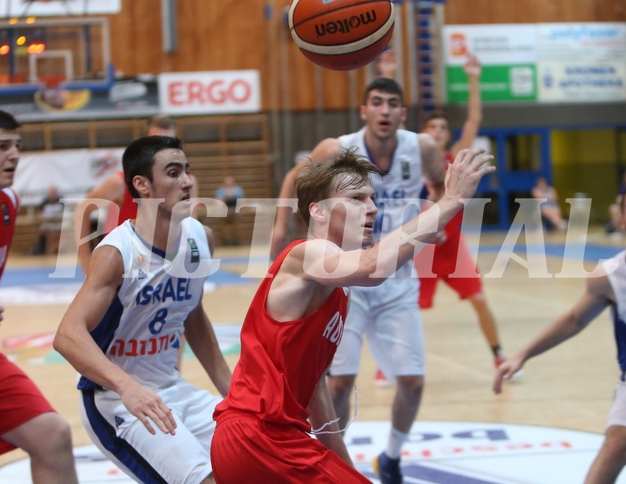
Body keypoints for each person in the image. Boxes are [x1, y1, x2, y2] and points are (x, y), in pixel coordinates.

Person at [212, 147, 494, 482]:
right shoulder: (307, 255)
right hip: (259, 437)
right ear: (318, 211)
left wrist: (344, 467)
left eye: (372, 198)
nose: (372, 208)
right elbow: (373, 268)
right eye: (357, 198)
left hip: (262, 439)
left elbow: (316, 390)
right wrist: (451, 200)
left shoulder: (336, 287)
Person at [270, 77, 449, 483]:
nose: (384, 110)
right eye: (376, 103)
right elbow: (296, 179)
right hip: (346, 278)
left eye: (392, 104)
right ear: (364, 111)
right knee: (337, 385)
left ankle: (391, 456)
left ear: (403, 113)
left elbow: (439, 183)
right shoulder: (337, 148)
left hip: (398, 280)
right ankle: (327, 465)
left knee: (413, 382)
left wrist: (434, 215)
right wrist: (281, 227)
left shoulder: (421, 147)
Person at [54, 135, 232, 483]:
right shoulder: (116, 253)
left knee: (258, 457)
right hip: (115, 399)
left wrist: (232, 391)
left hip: (173, 387)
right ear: (142, 185)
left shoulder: (200, 238)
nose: (187, 181)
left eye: (187, 171)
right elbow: (67, 336)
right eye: (174, 172)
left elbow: (193, 315)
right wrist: (127, 387)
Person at [494, 178, 626, 483]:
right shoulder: (609, 276)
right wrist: (523, 354)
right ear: (621, 219)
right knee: (618, 443)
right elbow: (574, 319)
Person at [0, 108, 78, 483]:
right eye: (2, 146)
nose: (14, 154)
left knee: (52, 435)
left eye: (17, 145)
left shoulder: (7, 202)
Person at [414, 54, 509, 373]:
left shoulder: (456, 157)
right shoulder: (410, 162)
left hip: (453, 248)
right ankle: (391, 363)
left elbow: (473, 122)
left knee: (480, 300)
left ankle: (498, 355)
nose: (439, 131)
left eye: (443, 127)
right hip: (421, 249)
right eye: (433, 127)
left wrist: (473, 78)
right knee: (405, 309)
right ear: (423, 133)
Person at [74, 114, 200, 276]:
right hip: (128, 270)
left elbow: (191, 230)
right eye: (156, 143)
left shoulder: (188, 183)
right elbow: (82, 209)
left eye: (169, 142)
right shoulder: (120, 182)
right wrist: (87, 268)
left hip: (168, 269)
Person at [32, 185, 64, 255]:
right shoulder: (44, 202)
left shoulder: (61, 201)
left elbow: (66, 211)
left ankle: (60, 245)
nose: (52, 194)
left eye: (53, 192)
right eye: (51, 193)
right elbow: (38, 212)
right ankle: (53, 245)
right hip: (49, 223)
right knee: (43, 229)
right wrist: (41, 215)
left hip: (59, 222)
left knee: (68, 229)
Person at [606, 167, 626, 235]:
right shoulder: (623, 187)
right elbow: (619, 199)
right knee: (614, 209)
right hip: (624, 205)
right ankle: (618, 230)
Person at [215, 176, 244, 246]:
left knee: (236, 225)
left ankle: (236, 240)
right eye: (227, 181)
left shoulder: (238, 190)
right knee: (222, 225)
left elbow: (241, 202)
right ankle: (225, 241)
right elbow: (218, 202)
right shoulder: (220, 191)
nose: (228, 183)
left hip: (235, 212)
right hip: (224, 212)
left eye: (230, 181)